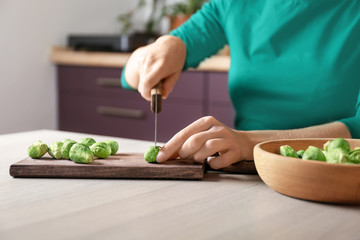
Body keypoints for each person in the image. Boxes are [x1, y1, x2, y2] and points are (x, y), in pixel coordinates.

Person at [121, 0, 360, 169]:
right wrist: (164, 47)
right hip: (246, 172)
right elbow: (129, 77)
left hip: (337, 174)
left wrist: (249, 143)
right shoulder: (235, 4)